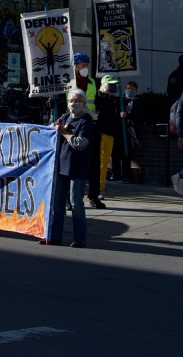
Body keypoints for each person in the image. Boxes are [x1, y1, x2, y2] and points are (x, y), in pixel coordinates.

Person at [42, 87, 95, 248]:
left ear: (84, 103)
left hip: (77, 168)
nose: (74, 103)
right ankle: (54, 236)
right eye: (71, 100)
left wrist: (64, 133)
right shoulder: (64, 118)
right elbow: (49, 132)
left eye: (77, 100)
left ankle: (79, 238)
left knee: (76, 203)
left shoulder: (86, 121)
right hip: (61, 166)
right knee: (57, 203)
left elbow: (80, 144)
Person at [73, 53, 106, 209]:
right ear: (76, 66)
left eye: (87, 64)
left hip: (91, 125)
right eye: (82, 64)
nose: (85, 67)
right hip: (73, 126)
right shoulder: (69, 82)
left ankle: (94, 196)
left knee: (94, 163)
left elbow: (98, 103)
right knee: (72, 163)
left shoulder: (93, 82)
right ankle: (70, 198)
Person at [96, 75, 124, 184]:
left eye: (114, 85)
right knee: (98, 160)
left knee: (105, 161)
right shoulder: (98, 98)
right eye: (111, 84)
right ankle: (97, 186)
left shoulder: (114, 99)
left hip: (110, 133)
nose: (113, 87)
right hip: (101, 132)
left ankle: (101, 186)